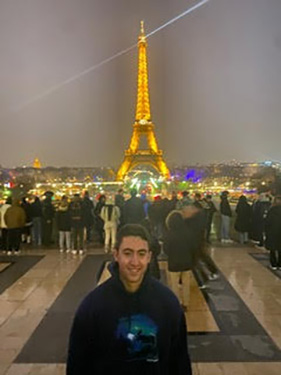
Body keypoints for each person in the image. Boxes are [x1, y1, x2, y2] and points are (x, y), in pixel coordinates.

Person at [67, 224, 192, 375]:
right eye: (127, 253)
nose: (135, 262)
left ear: (149, 257)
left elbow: (179, 360)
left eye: (141, 254)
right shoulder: (93, 306)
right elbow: (78, 363)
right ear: (116, 255)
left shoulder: (167, 303)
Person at [163, 210, 194, 311]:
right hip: (187, 261)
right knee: (186, 284)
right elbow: (193, 247)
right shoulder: (188, 232)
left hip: (174, 262)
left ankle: (176, 303)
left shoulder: (169, 234)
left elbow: (166, 249)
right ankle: (186, 303)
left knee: (174, 284)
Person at [265, 196, 281, 270]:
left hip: (272, 231)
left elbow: (268, 221)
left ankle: (273, 264)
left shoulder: (272, 210)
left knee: (273, 249)